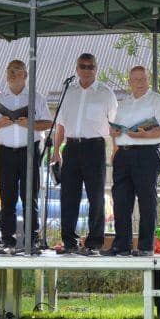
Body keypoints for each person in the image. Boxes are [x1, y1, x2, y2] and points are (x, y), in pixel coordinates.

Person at [0, 60, 52, 254]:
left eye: (17, 71)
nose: (13, 75)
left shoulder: (36, 98)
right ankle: (8, 241)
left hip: (29, 151)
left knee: (30, 197)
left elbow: (47, 123)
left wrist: (30, 123)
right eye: (10, 71)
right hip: (5, 152)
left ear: (25, 75)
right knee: (7, 198)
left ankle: (32, 241)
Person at [51, 53, 118, 256]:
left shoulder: (106, 93)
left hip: (94, 147)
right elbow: (60, 126)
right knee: (68, 196)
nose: (87, 70)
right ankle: (69, 241)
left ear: (96, 69)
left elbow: (115, 126)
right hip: (71, 147)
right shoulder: (68, 92)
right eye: (83, 66)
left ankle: (94, 243)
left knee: (96, 197)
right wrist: (56, 151)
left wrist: (115, 150)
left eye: (90, 66)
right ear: (77, 68)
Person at [107, 66, 160, 257]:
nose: (140, 83)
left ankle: (145, 247)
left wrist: (145, 135)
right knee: (121, 200)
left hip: (146, 154)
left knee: (147, 200)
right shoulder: (124, 103)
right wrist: (115, 141)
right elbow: (115, 130)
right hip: (123, 153)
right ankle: (122, 245)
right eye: (135, 80)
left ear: (148, 79)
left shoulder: (157, 100)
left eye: (143, 79)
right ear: (129, 82)